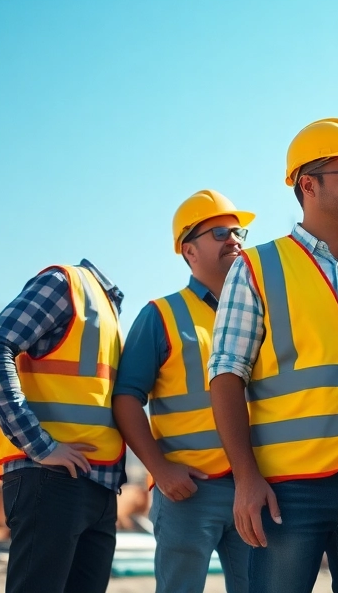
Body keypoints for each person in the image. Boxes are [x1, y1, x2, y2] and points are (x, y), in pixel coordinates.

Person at [207, 118, 338, 593]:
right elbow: (226, 376)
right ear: (308, 184)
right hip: (287, 488)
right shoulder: (256, 267)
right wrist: (245, 478)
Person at [112, 190, 254, 593]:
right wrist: (160, 469)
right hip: (190, 491)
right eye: (220, 232)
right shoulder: (161, 315)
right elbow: (126, 399)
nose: (235, 240)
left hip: (254, 485)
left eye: (239, 231)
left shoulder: (260, 313)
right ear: (188, 250)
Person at [0, 259, 126, 593]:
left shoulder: (109, 308)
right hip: (50, 478)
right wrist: (41, 445)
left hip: (99, 483)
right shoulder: (65, 284)